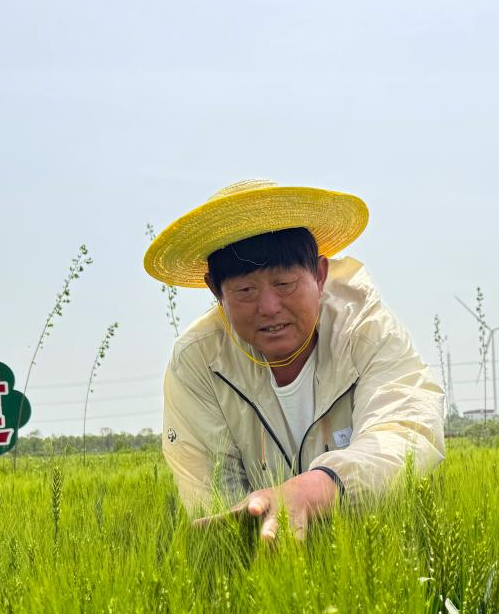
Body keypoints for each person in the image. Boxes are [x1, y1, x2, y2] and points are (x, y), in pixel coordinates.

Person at [144, 179, 445, 541]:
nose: (269, 307)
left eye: (285, 283)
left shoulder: (367, 330)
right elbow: (214, 500)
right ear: (215, 291)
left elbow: (406, 432)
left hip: (381, 553)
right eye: (245, 291)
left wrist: (317, 489)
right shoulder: (199, 361)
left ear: (319, 274)